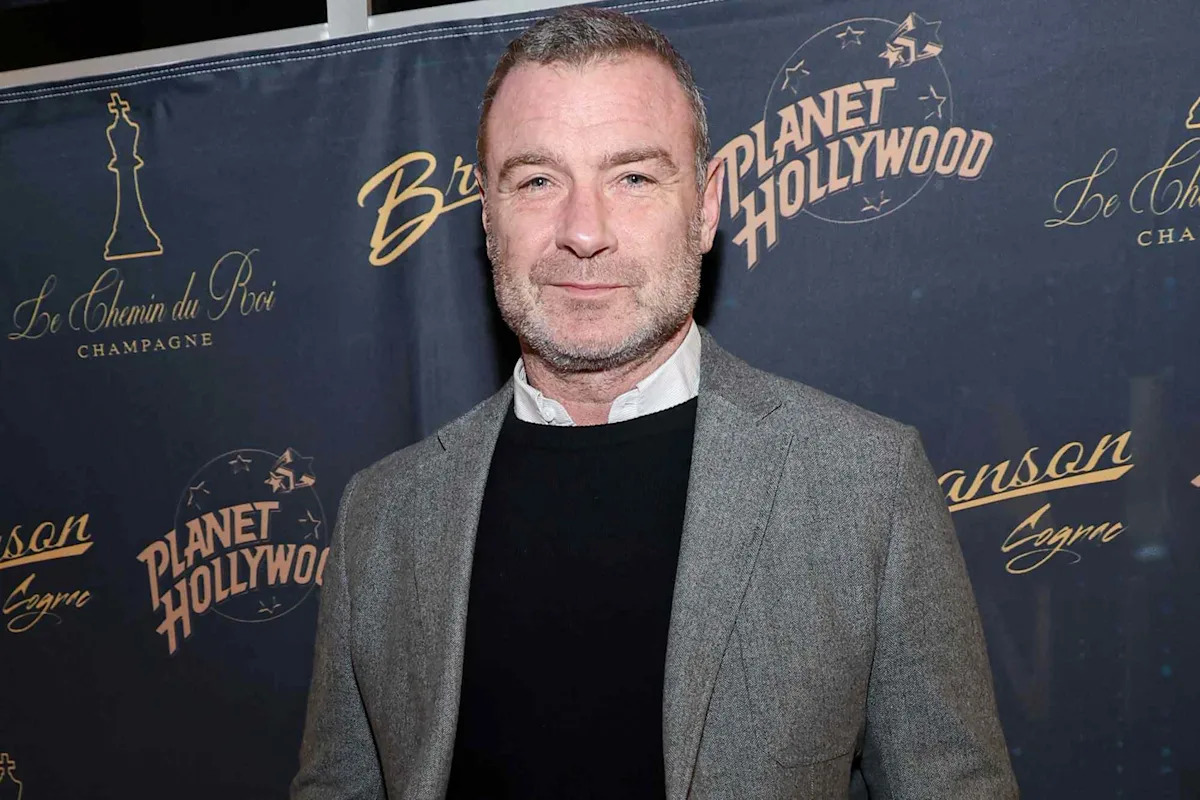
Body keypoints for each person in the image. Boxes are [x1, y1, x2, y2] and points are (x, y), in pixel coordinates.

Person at [291, 7, 1019, 799]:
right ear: (488, 216)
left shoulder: (866, 486)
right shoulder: (382, 516)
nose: (584, 233)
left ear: (705, 206)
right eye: (537, 181)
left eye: (633, 178)